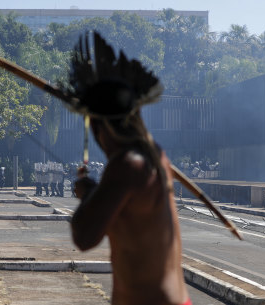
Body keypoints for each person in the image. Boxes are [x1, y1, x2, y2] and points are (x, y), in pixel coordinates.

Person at [67, 32, 191, 305]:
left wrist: (87, 195)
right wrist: (94, 192)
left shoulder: (128, 165)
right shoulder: (153, 155)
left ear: (100, 128)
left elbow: (84, 236)